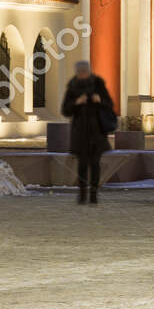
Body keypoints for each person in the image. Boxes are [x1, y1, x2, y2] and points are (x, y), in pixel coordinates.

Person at [61, 59, 116, 205]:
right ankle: (82, 193)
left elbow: (109, 104)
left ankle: (94, 194)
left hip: (97, 131)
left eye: (85, 72)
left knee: (95, 163)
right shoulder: (72, 87)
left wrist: (100, 100)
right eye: (80, 72)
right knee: (82, 165)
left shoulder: (98, 84)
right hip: (80, 132)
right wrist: (76, 103)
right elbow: (65, 110)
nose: (83, 74)